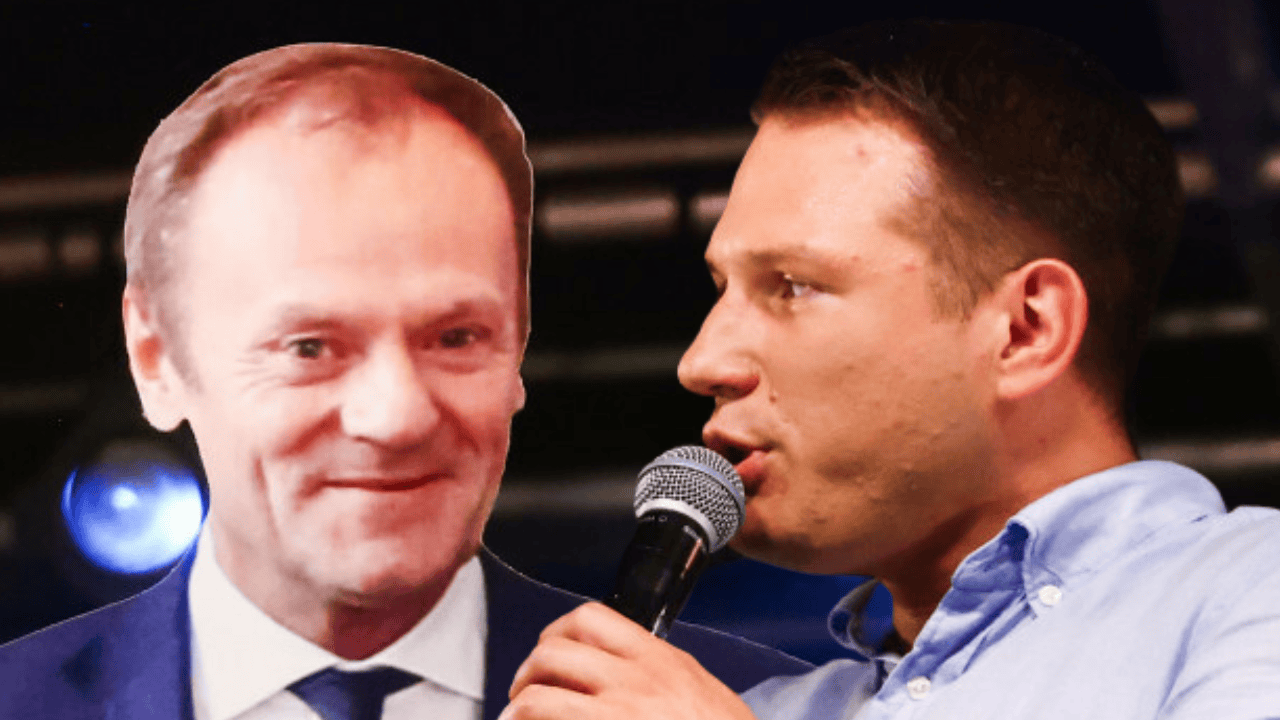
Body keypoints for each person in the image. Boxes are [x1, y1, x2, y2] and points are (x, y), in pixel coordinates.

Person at [0, 43, 808, 720]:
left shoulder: (756, 706)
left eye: (455, 337)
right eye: (310, 347)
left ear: (518, 343)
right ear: (155, 358)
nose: (396, 417)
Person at [504, 19, 1280, 720]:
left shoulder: (1247, 590)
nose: (701, 362)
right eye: (721, 290)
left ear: (1025, 329)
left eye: (793, 286)